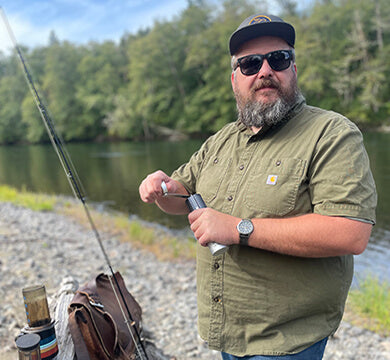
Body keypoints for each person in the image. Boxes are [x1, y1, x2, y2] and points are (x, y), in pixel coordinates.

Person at [139, 13, 377, 360]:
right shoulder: (220, 140)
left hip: (287, 341)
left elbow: (350, 233)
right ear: (234, 79)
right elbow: (183, 197)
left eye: (278, 59)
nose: (265, 71)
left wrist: (238, 229)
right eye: (250, 64)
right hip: (226, 330)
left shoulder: (332, 133)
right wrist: (161, 188)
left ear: (293, 69)